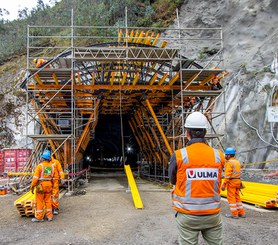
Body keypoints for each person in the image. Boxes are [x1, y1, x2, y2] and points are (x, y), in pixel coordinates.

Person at [169, 111, 225, 245]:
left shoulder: (179, 155)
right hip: (212, 214)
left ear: (187, 133)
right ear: (205, 132)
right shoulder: (218, 155)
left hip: (188, 214)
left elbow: (173, 180)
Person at [30, 150, 57, 222]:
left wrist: (32, 187)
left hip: (41, 186)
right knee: (48, 201)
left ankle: (39, 217)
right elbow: (54, 178)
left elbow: (35, 178)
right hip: (49, 185)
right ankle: (49, 216)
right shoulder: (52, 167)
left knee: (39, 201)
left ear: (43, 158)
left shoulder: (40, 166)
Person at [221, 147, 246, 219]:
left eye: (226, 155)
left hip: (232, 182)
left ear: (228, 155)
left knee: (231, 198)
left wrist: (224, 184)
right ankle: (241, 213)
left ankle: (234, 214)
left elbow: (227, 175)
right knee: (237, 197)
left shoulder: (229, 163)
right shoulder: (237, 162)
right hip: (238, 181)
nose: (225, 156)